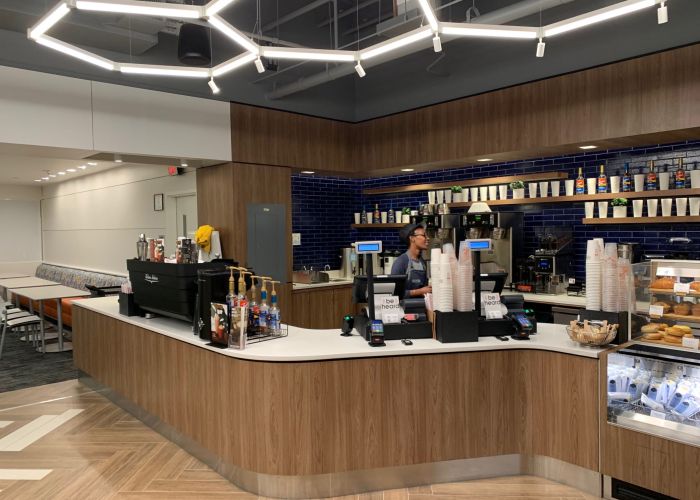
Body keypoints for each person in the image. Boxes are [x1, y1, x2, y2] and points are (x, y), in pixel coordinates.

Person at [390, 223, 432, 298]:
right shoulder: (401, 262)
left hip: (421, 304)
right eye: (424, 235)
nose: (428, 238)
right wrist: (419, 291)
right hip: (405, 305)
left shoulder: (422, 262)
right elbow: (394, 293)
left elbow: (425, 289)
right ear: (412, 238)